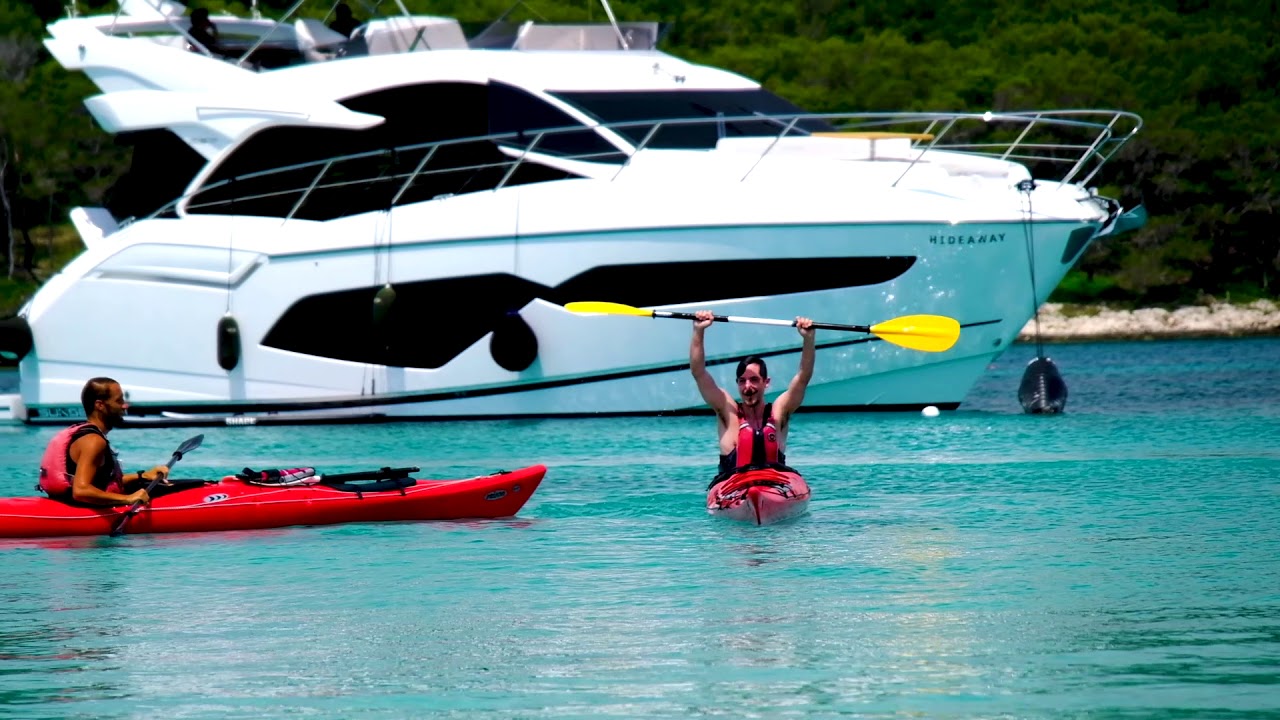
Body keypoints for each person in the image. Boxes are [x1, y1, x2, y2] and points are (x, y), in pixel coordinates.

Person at [689, 310, 816, 482]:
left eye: (754, 380)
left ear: (766, 382)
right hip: (733, 487)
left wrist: (808, 339)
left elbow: (803, 378)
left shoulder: (778, 412)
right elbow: (699, 373)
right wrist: (699, 330)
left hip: (773, 485)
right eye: (742, 381)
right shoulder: (728, 411)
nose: (748, 387)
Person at [37, 377, 170, 506]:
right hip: (81, 510)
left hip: (67, 502)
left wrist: (142, 476)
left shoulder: (88, 435)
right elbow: (81, 491)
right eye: (119, 401)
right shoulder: (94, 442)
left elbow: (104, 482)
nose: (125, 405)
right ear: (100, 405)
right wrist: (127, 499)